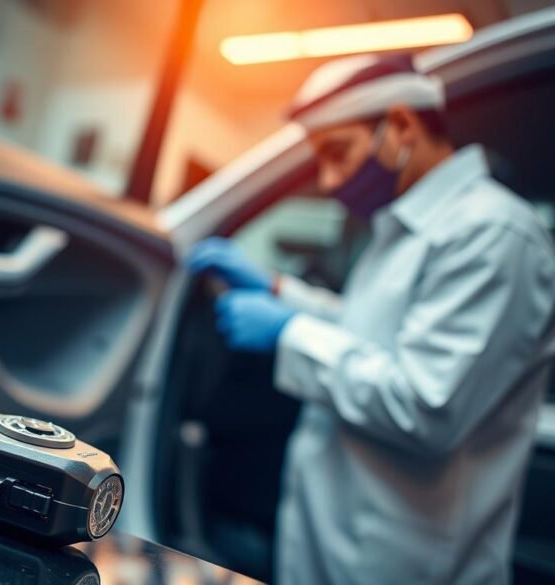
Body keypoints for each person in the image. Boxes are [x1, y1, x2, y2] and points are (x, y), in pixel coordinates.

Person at [187, 53, 555, 584]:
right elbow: (372, 336)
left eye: (338, 153)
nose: (329, 180)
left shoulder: (493, 234)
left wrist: (288, 331)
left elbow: (425, 406)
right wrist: (281, 292)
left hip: (408, 562)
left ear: (401, 124)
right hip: (345, 540)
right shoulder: (402, 230)